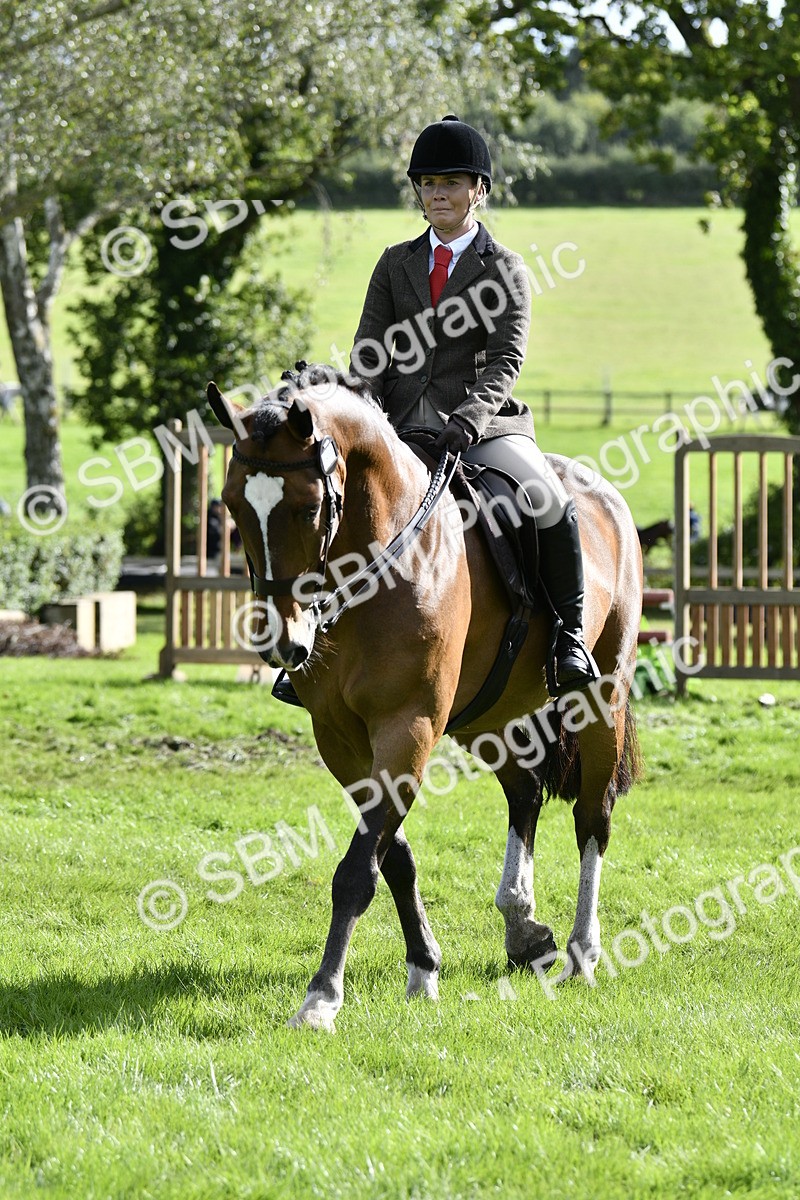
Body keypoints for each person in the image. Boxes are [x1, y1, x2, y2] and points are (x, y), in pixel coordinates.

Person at [346, 114, 597, 695]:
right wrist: (363, 412)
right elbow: (370, 352)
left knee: (549, 501)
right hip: (401, 426)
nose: (438, 193)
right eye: (428, 183)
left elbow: (506, 361)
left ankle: (570, 636)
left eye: (452, 182)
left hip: (484, 429)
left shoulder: (505, 268)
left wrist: (466, 421)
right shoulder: (394, 263)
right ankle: (313, 646)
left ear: (479, 191)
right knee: (336, 502)